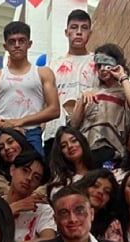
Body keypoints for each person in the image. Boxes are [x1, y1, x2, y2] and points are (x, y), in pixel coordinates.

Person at [0, 21, 59, 154]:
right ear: (5, 46)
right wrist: (5, 125)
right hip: (1, 131)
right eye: (12, 41)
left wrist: (20, 122)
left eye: (21, 41)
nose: (17, 45)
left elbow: (54, 110)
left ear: (29, 44)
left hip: (30, 131)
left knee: (35, 166)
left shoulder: (43, 73)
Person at [68, 43, 130, 168]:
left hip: (114, 152)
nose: (103, 69)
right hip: (89, 151)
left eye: (107, 64)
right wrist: (82, 101)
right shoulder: (90, 92)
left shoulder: (124, 92)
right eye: (99, 65)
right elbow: (74, 124)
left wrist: (122, 76)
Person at [43, 9, 96, 156]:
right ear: (66, 32)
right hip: (55, 134)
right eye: (74, 27)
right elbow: (44, 103)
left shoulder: (98, 63)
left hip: (89, 134)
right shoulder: (53, 65)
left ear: (90, 33)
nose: (78, 32)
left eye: (84, 28)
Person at [4, 150, 56, 242]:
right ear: (12, 170)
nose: (29, 178)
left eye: (36, 177)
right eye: (25, 170)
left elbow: (49, 240)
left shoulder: (42, 209)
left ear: (38, 185)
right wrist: (12, 209)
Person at [73, 169, 123, 242]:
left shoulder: (112, 225)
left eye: (107, 192)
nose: (100, 192)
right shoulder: (66, 214)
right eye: (96, 186)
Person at [47, 125, 95, 198]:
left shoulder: (97, 176)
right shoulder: (61, 182)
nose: (70, 146)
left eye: (74, 141)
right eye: (64, 146)